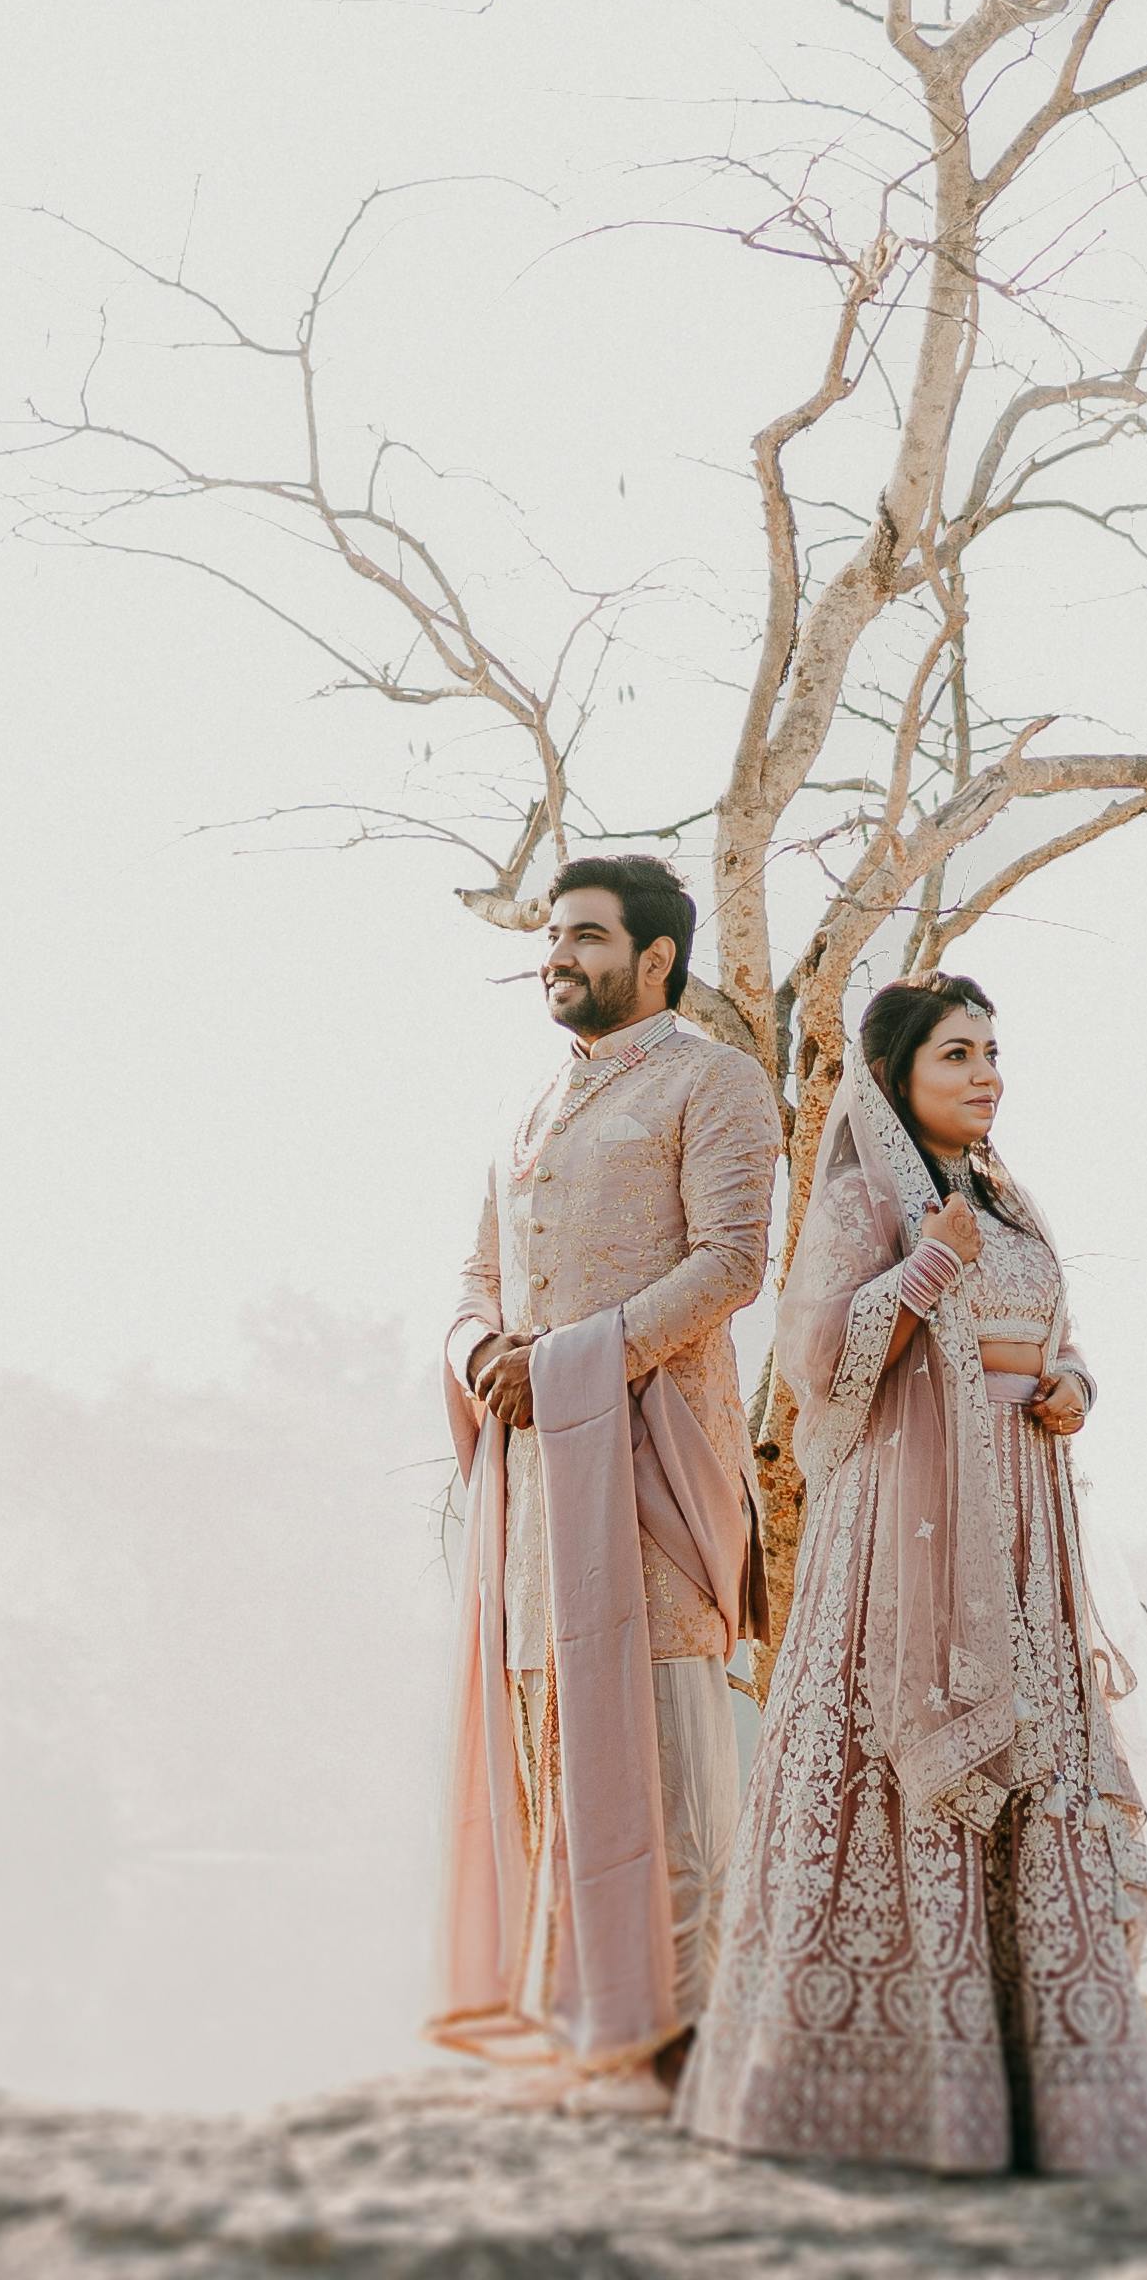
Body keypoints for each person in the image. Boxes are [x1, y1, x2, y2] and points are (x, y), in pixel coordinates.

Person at [680, 970, 1147, 2175]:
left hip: (1021, 1522)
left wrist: (1074, 1385)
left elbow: (1053, 1341)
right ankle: (887, 2087)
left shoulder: (1008, 1203)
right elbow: (811, 1363)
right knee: (895, 1764)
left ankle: (1042, 2092)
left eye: (994, 1050)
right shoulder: (868, 1199)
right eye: (958, 1053)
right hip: (901, 1535)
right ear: (898, 1076)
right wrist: (919, 1271)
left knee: (1041, 1762)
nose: (987, 1074)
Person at [432, 853, 777, 2114]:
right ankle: (601, 2028)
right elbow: (475, 1278)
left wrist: (571, 1364)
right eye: (552, 938)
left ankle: (699, 2040)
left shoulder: (711, 1079)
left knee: (674, 1752)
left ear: (655, 958)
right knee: (556, 1745)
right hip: (535, 1482)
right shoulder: (532, 1108)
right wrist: (487, 1360)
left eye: (584, 935)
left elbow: (732, 1262)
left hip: (652, 1459)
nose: (558, 955)